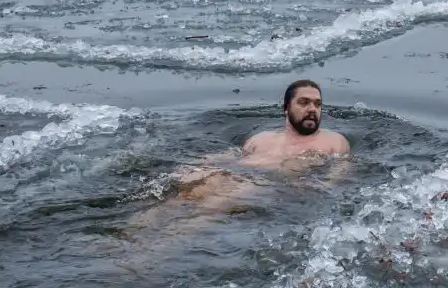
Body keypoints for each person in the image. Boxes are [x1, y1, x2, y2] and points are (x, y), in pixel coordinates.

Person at [124, 80, 350, 231]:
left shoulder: (333, 141)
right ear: (285, 108)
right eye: (304, 102)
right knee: (175, 196)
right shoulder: (261, 138)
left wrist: (316, 187)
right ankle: (125, 235)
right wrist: (193, 167)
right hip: (232, 172)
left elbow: (336, 177)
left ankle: (152, 253)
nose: (312, 108)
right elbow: (232, 156)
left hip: (261, 183)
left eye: (318, 104)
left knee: (208, 208)